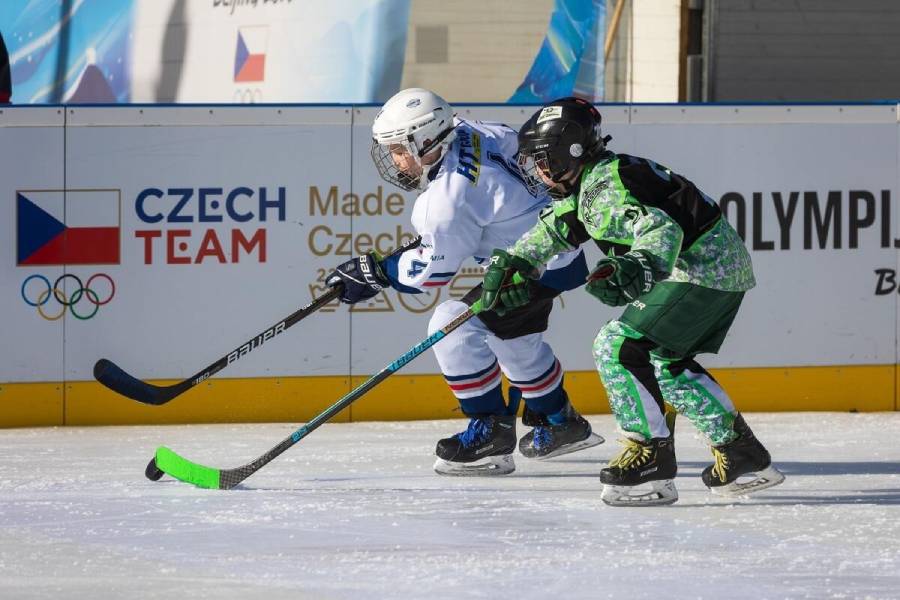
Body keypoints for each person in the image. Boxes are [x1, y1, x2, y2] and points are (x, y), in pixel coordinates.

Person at [480, 96, 784, 505]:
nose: (536, 169)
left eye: (542, 158)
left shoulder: (606, 188)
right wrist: (519, 259)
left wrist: (639, 265)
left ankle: (649, 454)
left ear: (570, 151)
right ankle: (740, 452)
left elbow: (661, 230)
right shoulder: (594, 180)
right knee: (663, 364)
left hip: (700, 269)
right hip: (718, 266)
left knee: (617, 345)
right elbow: (558, 227)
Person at [325, 88, 603, 476]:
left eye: (399, 148)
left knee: (450, 325)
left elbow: (432, 273)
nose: (394, 159)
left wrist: (377, 273)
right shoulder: (470, 129)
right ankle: (561, 421)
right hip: (555, 250)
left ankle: (490, 432)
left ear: (426, 140)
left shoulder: (447, 201)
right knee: (514, 340)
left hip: (536, 262)